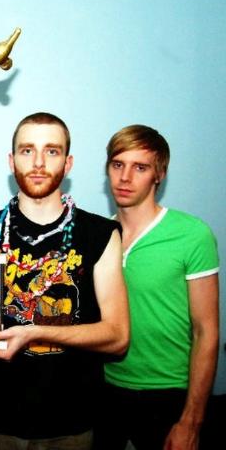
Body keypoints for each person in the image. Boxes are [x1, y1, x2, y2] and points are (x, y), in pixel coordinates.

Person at [0, 112, 130, 450]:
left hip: (71, 423)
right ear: (11, 161)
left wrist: (34, 332)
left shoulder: (100, 233)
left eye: (51, 151)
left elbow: (118, 336)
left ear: (68, 163)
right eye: (27, 150)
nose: (38, 162)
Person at [93, 125, 220, 450]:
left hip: (168, 394)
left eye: (140, 167)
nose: (125, 178)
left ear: (159, 174)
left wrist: (191, 421)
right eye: (118, 164)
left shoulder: (192, 235)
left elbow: (207, 332)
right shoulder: (97, 235)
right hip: (103, 390)